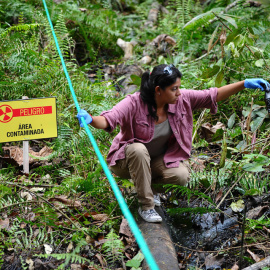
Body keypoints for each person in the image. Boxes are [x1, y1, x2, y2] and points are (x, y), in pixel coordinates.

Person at [77, 64, 270, 223]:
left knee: (181, 175)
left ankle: (150, 189)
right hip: (126, 162)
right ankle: (147, 206)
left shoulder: (182, 99)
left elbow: (214, 94)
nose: (178, 92)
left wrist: (244, 83)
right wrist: (91, 119)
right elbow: (109, 118)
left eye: (179, 87)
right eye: (173, 89)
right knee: (137, 148)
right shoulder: (134, 102)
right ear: (158, 90)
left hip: (156, 163)